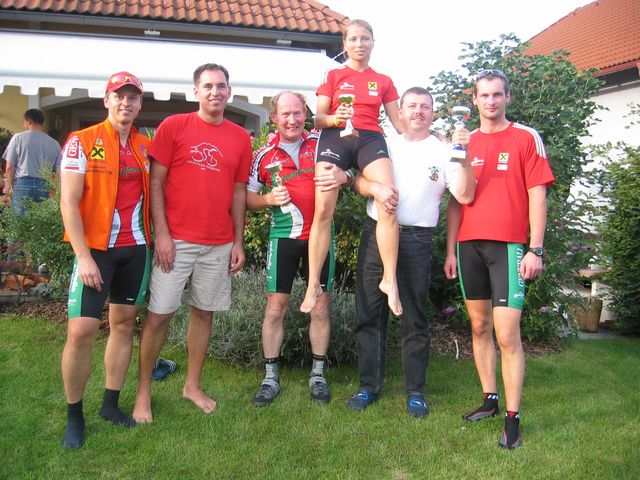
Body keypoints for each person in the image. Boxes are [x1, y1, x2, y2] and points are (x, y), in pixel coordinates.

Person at [132, 63, 252, 423]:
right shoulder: (174, 126)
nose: (215, 92)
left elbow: (239, 192)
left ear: (229, 92)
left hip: (218, 242)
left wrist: (238, 241)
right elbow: (156, 183)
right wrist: (163, 234)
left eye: (221, 86)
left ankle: (192, 386)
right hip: (176, 241)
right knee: (159, 316)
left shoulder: (240, 137)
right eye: (208, 86)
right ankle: (143, 393)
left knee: (204, 313)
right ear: (196, 91)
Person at [444, 69, 555, 449]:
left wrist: (535, 248)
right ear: (474, 100)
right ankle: (489, 400)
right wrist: (450, 249)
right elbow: (457, 200)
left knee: (507, 335)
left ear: (507, 97)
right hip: (468, 246)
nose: (490, 101)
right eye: (484, 95)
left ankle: (512, 419)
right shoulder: (465, 141)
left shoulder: (525, 137)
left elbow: (538, 195)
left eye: (497, 94)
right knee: (479, 327)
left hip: (508, 246)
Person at [347, 87, 475, 416]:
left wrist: (463, 152)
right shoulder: (384, 144)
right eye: (412, 106)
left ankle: (415, 391)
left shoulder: (445, 151)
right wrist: (373, 187)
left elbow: (464, 195)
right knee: (369, 313)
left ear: (433, 113)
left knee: (415, 317)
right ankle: (368, 386)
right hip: (377, 235)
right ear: (400, 112)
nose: (418, 111)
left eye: (425, 106)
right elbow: (356, 181)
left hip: (417, 240)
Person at [59, 72, 151, 449]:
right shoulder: (81, 141)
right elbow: (68, 202)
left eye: (133, 97)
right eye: (119, 96)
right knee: (80, 331)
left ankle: (110, 405)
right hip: (95, 251)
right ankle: (74, 415)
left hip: (136, 249)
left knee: (124, 326)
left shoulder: (146, 146)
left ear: (140, 104)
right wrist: (83, 257)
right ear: (106, 100)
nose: (125, 103)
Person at [247, 91, 345, 406]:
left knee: (320, 307)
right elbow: (246, 198)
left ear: (306, 114)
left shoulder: (321, 143)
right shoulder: (263, 155)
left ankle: (317, 375)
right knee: (275, 309)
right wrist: (267, 199)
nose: (292, 120)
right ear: (274, 118)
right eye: (285, 114)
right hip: (283, 237)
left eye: (298, 113)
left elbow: (352, 171)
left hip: (322, 238)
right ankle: (270, 378)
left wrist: (344, 174)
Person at [300, 19, 404, 317]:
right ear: (344, 44)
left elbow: (400, 124)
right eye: (354, 39)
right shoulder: (334, 75)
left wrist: (435, 133)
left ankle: (389, 280)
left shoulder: (383, 80)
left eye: (365, 38)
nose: (360, 44)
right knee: (323, 209)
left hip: (370, 137)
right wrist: (336, 118)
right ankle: (313, 284)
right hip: (335, 135)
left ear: (373, 42)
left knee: (389, 200)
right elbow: (318, 118)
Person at [2, 108, 61, 214]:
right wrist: (55, 191)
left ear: (29, 121)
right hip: (44, 186)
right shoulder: (55, 144)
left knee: (20, 222)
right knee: (42, 221)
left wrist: (11, 188)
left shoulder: (18, 138)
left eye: (24, 122)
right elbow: (59, 173)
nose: (23, 125)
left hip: (23, 184)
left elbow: (9, 168)